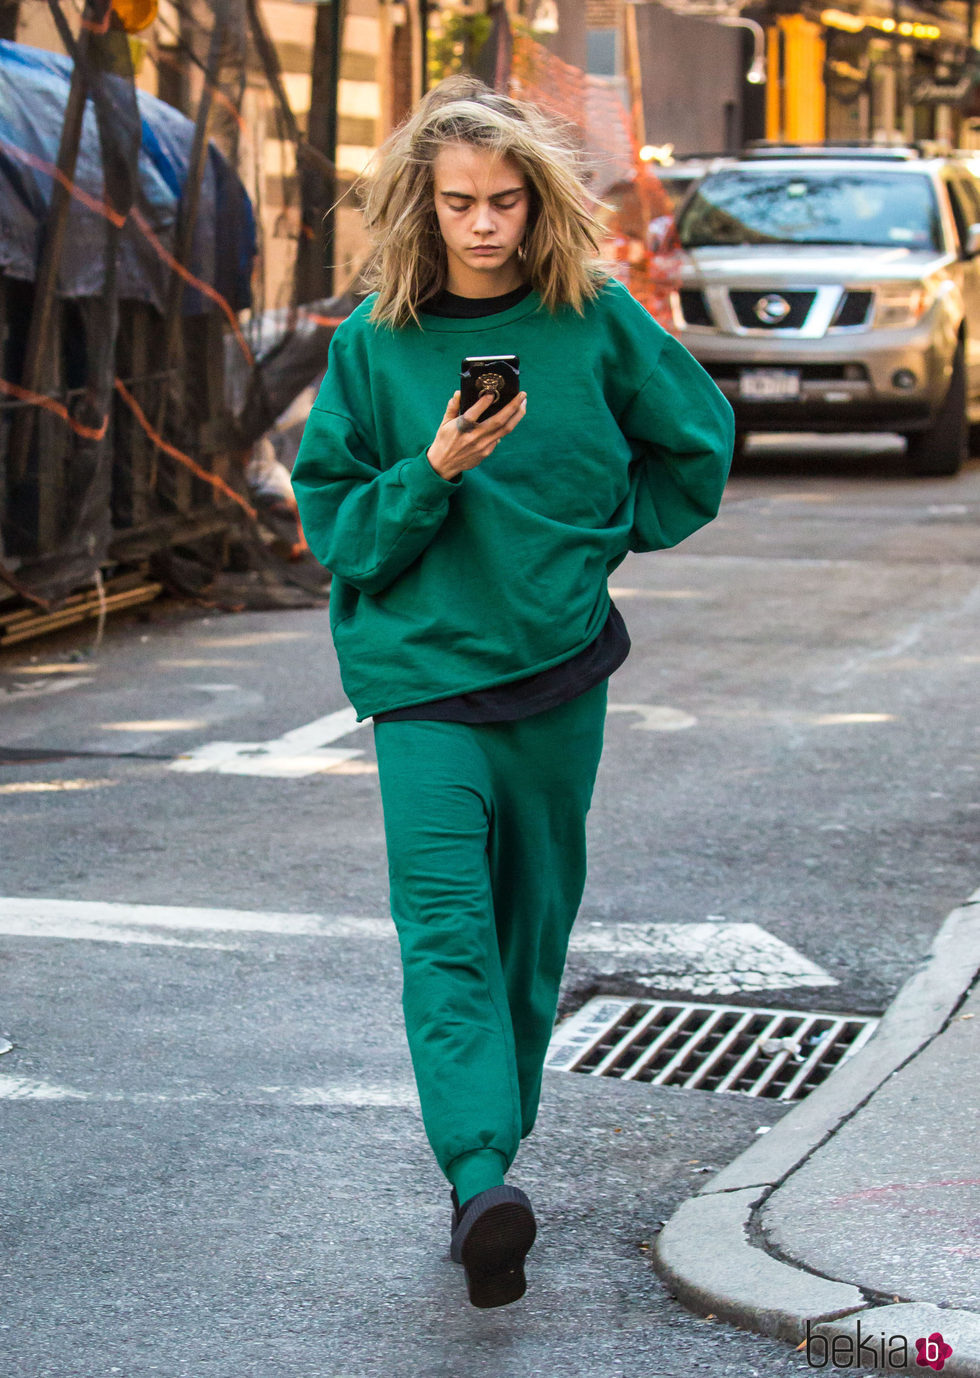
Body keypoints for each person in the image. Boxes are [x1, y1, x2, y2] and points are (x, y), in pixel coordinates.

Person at [291, 75, 734, 1311]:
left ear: (536, 206)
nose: (482, 225)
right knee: (445, 936)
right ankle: (478, 1178)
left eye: (503, 201)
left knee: (527, 936)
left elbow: (692, 446)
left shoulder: (591, 316)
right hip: (423, 684)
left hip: (554, 676)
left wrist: (594, 538)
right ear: (419, 212)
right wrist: (428, 470)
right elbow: (343, 534)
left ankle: (493, 1164)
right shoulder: (371, 344)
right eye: (457, 205)